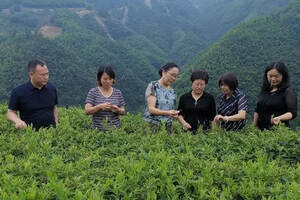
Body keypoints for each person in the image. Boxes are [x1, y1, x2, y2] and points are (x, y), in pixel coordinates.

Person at [7, 60, 58, 130]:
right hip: (30, 135)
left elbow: (54, 107)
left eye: (47, 74)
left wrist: (56, 124)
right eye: (42, 75)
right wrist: (17, 121)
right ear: (31, 74)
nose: (46, 77)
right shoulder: (18, 92)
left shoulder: (52, 88)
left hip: (51, 133)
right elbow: (10, 113)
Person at [253, 62, 297, 130]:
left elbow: (292, 113)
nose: (273, 79)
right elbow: (258, 109)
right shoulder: (265, 90)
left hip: (278, 131)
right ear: (266, 75)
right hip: (260, 132)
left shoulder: (288, 91)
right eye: (270, 76)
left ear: (283, 76)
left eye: (276, 76)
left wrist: (279, 118)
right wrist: (254, 127)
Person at [85, 66, 125, 130]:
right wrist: (99, 107)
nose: (108, 81)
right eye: (105, 79)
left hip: (116, 131)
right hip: (97, 131)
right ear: (99, 79)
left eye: (110, 79)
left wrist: (117, 110)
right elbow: (87, 111)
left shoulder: (118, 92)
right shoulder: (93, 92)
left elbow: (123, 111)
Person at [144, 62, 180, 133]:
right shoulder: (153, 86)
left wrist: (173, 115)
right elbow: (151, 109)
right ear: (164, 72)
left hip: (168, 127)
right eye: (172, 75)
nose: (173, 78)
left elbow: (171, 111)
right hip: (152, 126)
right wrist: (168, 112)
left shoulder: (172, 91)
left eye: (176, 76)